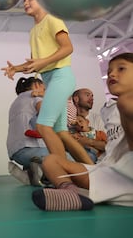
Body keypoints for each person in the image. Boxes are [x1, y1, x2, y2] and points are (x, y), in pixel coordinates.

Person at [1, 0, 93, 165]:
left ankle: (62, 175)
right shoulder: (33, 32)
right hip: (49, 80)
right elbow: (35, 62)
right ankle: (92, 170)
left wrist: (42, 62)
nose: (26, 2)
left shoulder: (52, 19)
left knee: (43, 126)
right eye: (24, 0)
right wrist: (16, 68)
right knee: (61, 132)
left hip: (61, 76)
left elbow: (67, 48)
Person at [31, 52, 133, 211]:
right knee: (50, 161)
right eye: (109, 71)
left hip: (129, 173)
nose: (112, 74)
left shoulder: (122, 105)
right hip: (109, 172)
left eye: (121, 69)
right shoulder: (108, 109)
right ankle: (70, 193)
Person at [6, 76, 49, 186]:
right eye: (44, 89)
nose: (45, 92)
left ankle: (30, 173)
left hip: (16, 152)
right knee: (65, 157)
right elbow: (47, 115)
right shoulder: (36, 97)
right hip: (33, 151)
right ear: (36, 86)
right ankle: (39, 171)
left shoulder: (15, 103)